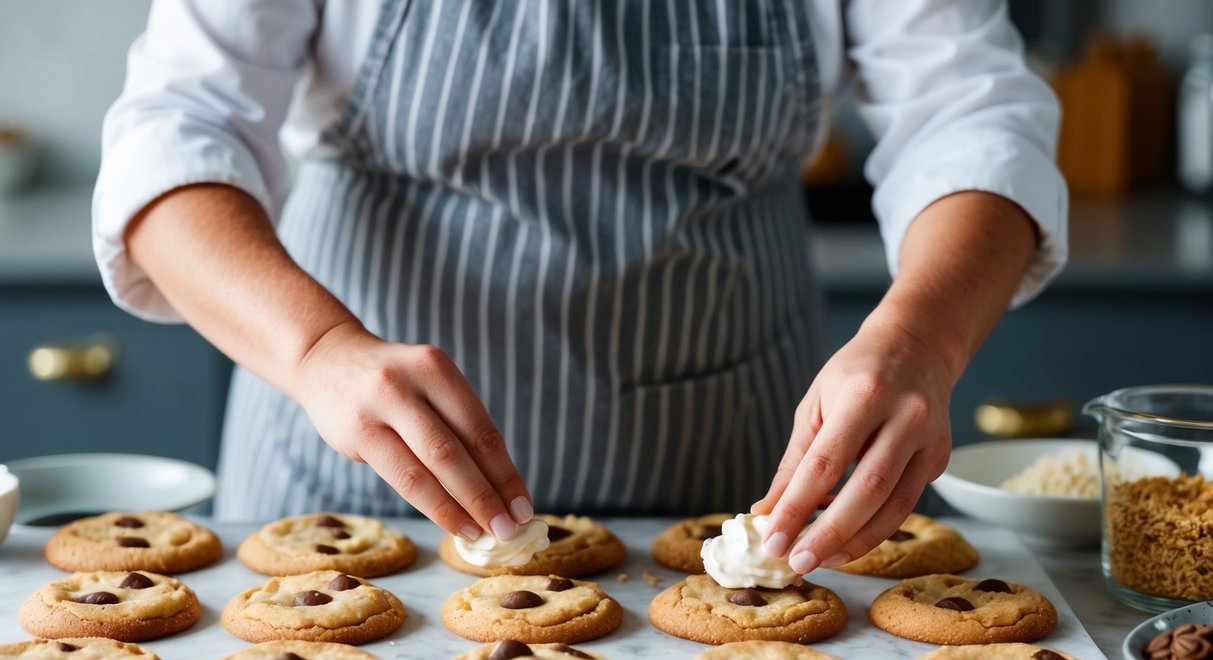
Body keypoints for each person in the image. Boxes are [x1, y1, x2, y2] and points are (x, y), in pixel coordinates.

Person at [93, 0, 1067, 575]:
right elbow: (176, 132)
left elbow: (970, 114)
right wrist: (314, 351)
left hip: (737, 482)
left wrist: (921, 343)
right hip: (346, 474)